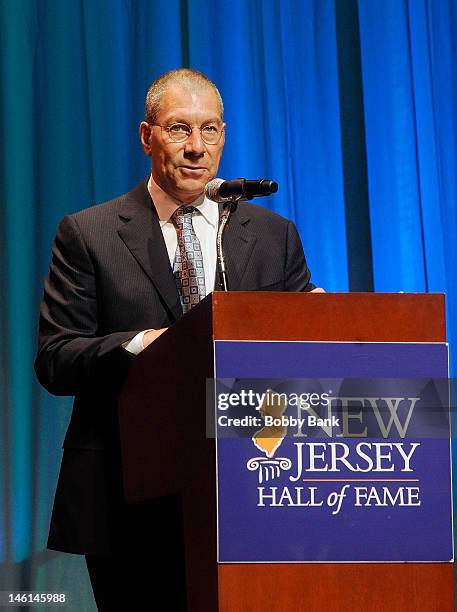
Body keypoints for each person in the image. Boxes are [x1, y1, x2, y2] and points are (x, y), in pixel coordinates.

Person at [35, 68, 319, 610]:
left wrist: (319, 329)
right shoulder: (88, 234)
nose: (196, 148)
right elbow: (56, 358)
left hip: (254, 490)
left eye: (209, 130)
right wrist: (147, 344)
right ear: (147, 137)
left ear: (224, 135)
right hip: (127, 501)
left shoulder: (272, 236)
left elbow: (298, 357)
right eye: (178, 129)